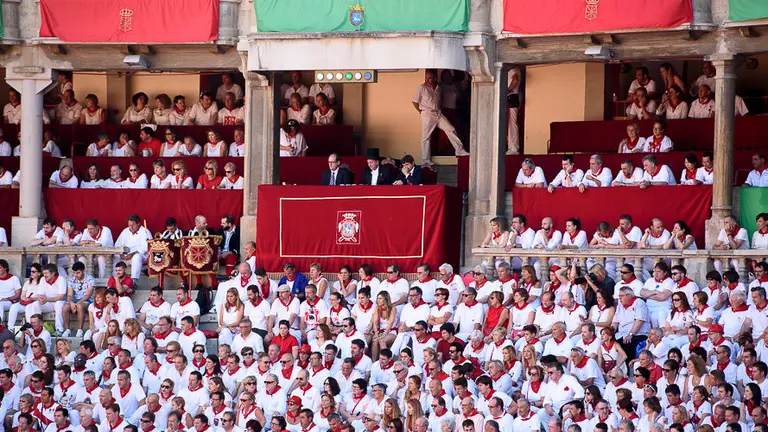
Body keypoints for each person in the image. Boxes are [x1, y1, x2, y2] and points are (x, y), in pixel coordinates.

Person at [412, 69, 469, 165]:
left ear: (435, 78)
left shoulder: (438, 87)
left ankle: (459, 150)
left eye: (430, 78)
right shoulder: (422, 88)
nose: (428, 80)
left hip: (438, 113)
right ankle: (425, 160)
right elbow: (415, 101)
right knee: (426, 137)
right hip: (427, 113)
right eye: (427, 78)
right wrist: (421, 112)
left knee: (451, 129)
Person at [114, 214, 152, 284]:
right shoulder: (125, 231)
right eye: (129, 225)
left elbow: (146, 247)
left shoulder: (145, 231)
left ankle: (134, 280)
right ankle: (113, 278)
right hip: (125, 256)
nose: (130, 227)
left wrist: (132, 254)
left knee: (136, 257)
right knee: (115, 256)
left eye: (133, 225)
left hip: (140, 256)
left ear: (138, 224)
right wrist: (121, 253)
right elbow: (117, 245)